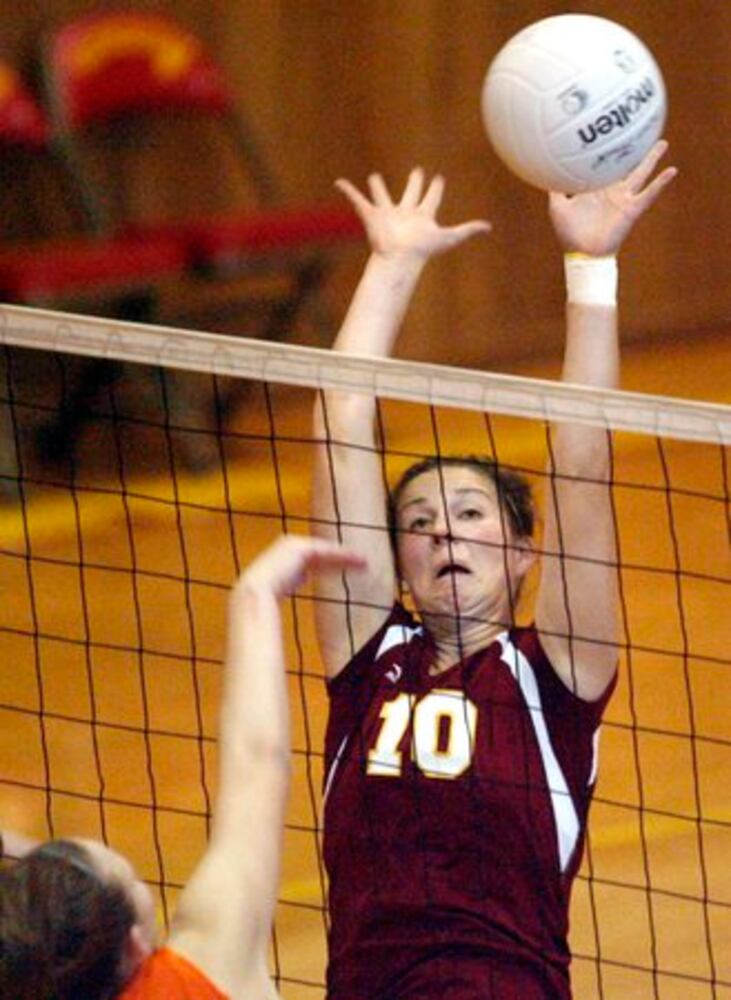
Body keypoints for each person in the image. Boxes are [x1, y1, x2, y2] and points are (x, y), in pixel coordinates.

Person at [311, 142, 677, 1000]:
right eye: (418, 522)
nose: (444, 534)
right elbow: (338, 425)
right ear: (394, 559)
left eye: (471, 515)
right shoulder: (368, 664)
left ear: (522, 556)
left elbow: (581, 462)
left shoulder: (556, 678)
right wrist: (391, 265)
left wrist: (591, 267)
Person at [0, 535, 365, 1000]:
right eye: (131, 880)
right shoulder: (203, 964)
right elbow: (257, 760)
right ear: (134, 945)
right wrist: (255, 594)